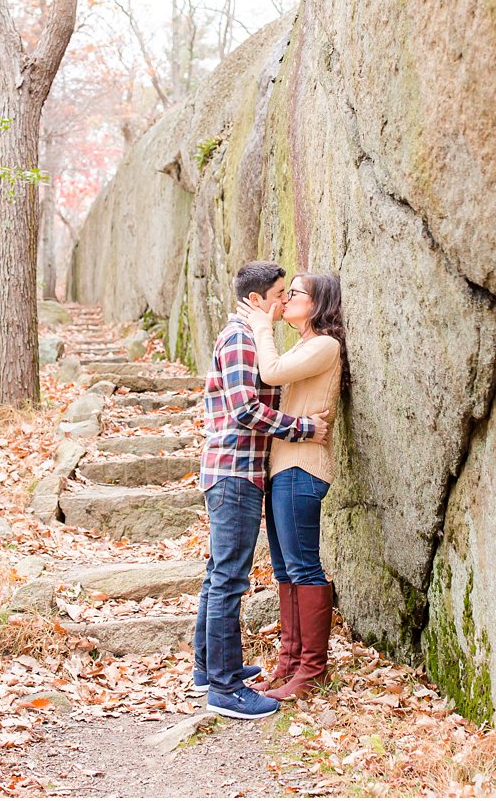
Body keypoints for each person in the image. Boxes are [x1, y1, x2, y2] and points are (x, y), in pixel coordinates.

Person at [193, 261, 330, 720]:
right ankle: (225, 690)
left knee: (220, 573)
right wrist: (302, 428)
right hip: (235, 471)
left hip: (242, 469)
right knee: (229, 577)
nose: (283, 303)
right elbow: (245, 410)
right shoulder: (239, 337)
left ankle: (209, 669)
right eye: (278, 294)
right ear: (256, 300)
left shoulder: (252, 337)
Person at [237, 272, 345, 700]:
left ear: (317, 303)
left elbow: (272, 371)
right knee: (284, 570)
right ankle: (291, 661)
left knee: (303, 568)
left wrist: (262, 326)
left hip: (304, 469)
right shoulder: (305, 345)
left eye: (295, 294)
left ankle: (312, 670)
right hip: (282, 467)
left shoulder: (325, 345)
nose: (287, 300)